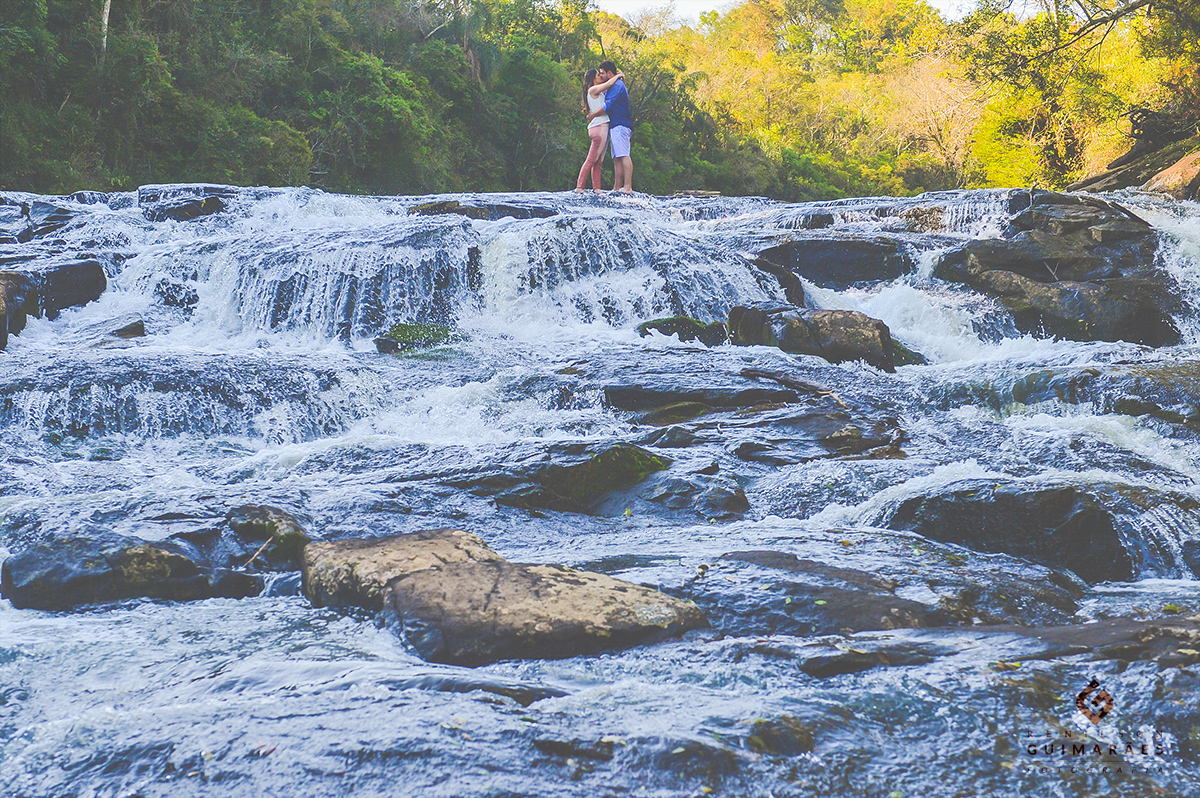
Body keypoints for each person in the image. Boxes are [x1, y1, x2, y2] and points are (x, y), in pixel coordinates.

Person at [587, 60, 633, 193]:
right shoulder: (612, 86)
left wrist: (593, 115)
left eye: (602, 73)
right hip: (615, 125)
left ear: (609, 73)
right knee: (616, 157)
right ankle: (617, 187)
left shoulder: (617, 86)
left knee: (623, 154)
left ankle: (628, 187)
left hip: (621, 124)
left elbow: (607, 106)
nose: (601, 76)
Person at [575, 68, 622, 193]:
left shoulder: (597, 92)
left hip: (601, 127)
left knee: (598, 161)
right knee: (592, 159)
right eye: (597, 75)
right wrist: (618, 76)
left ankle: (597, 188)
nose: (600, 76)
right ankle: (580, 187)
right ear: (592, 78)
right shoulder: (593, 89)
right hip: (600, 127)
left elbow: (609, 88)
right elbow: (608, 84)